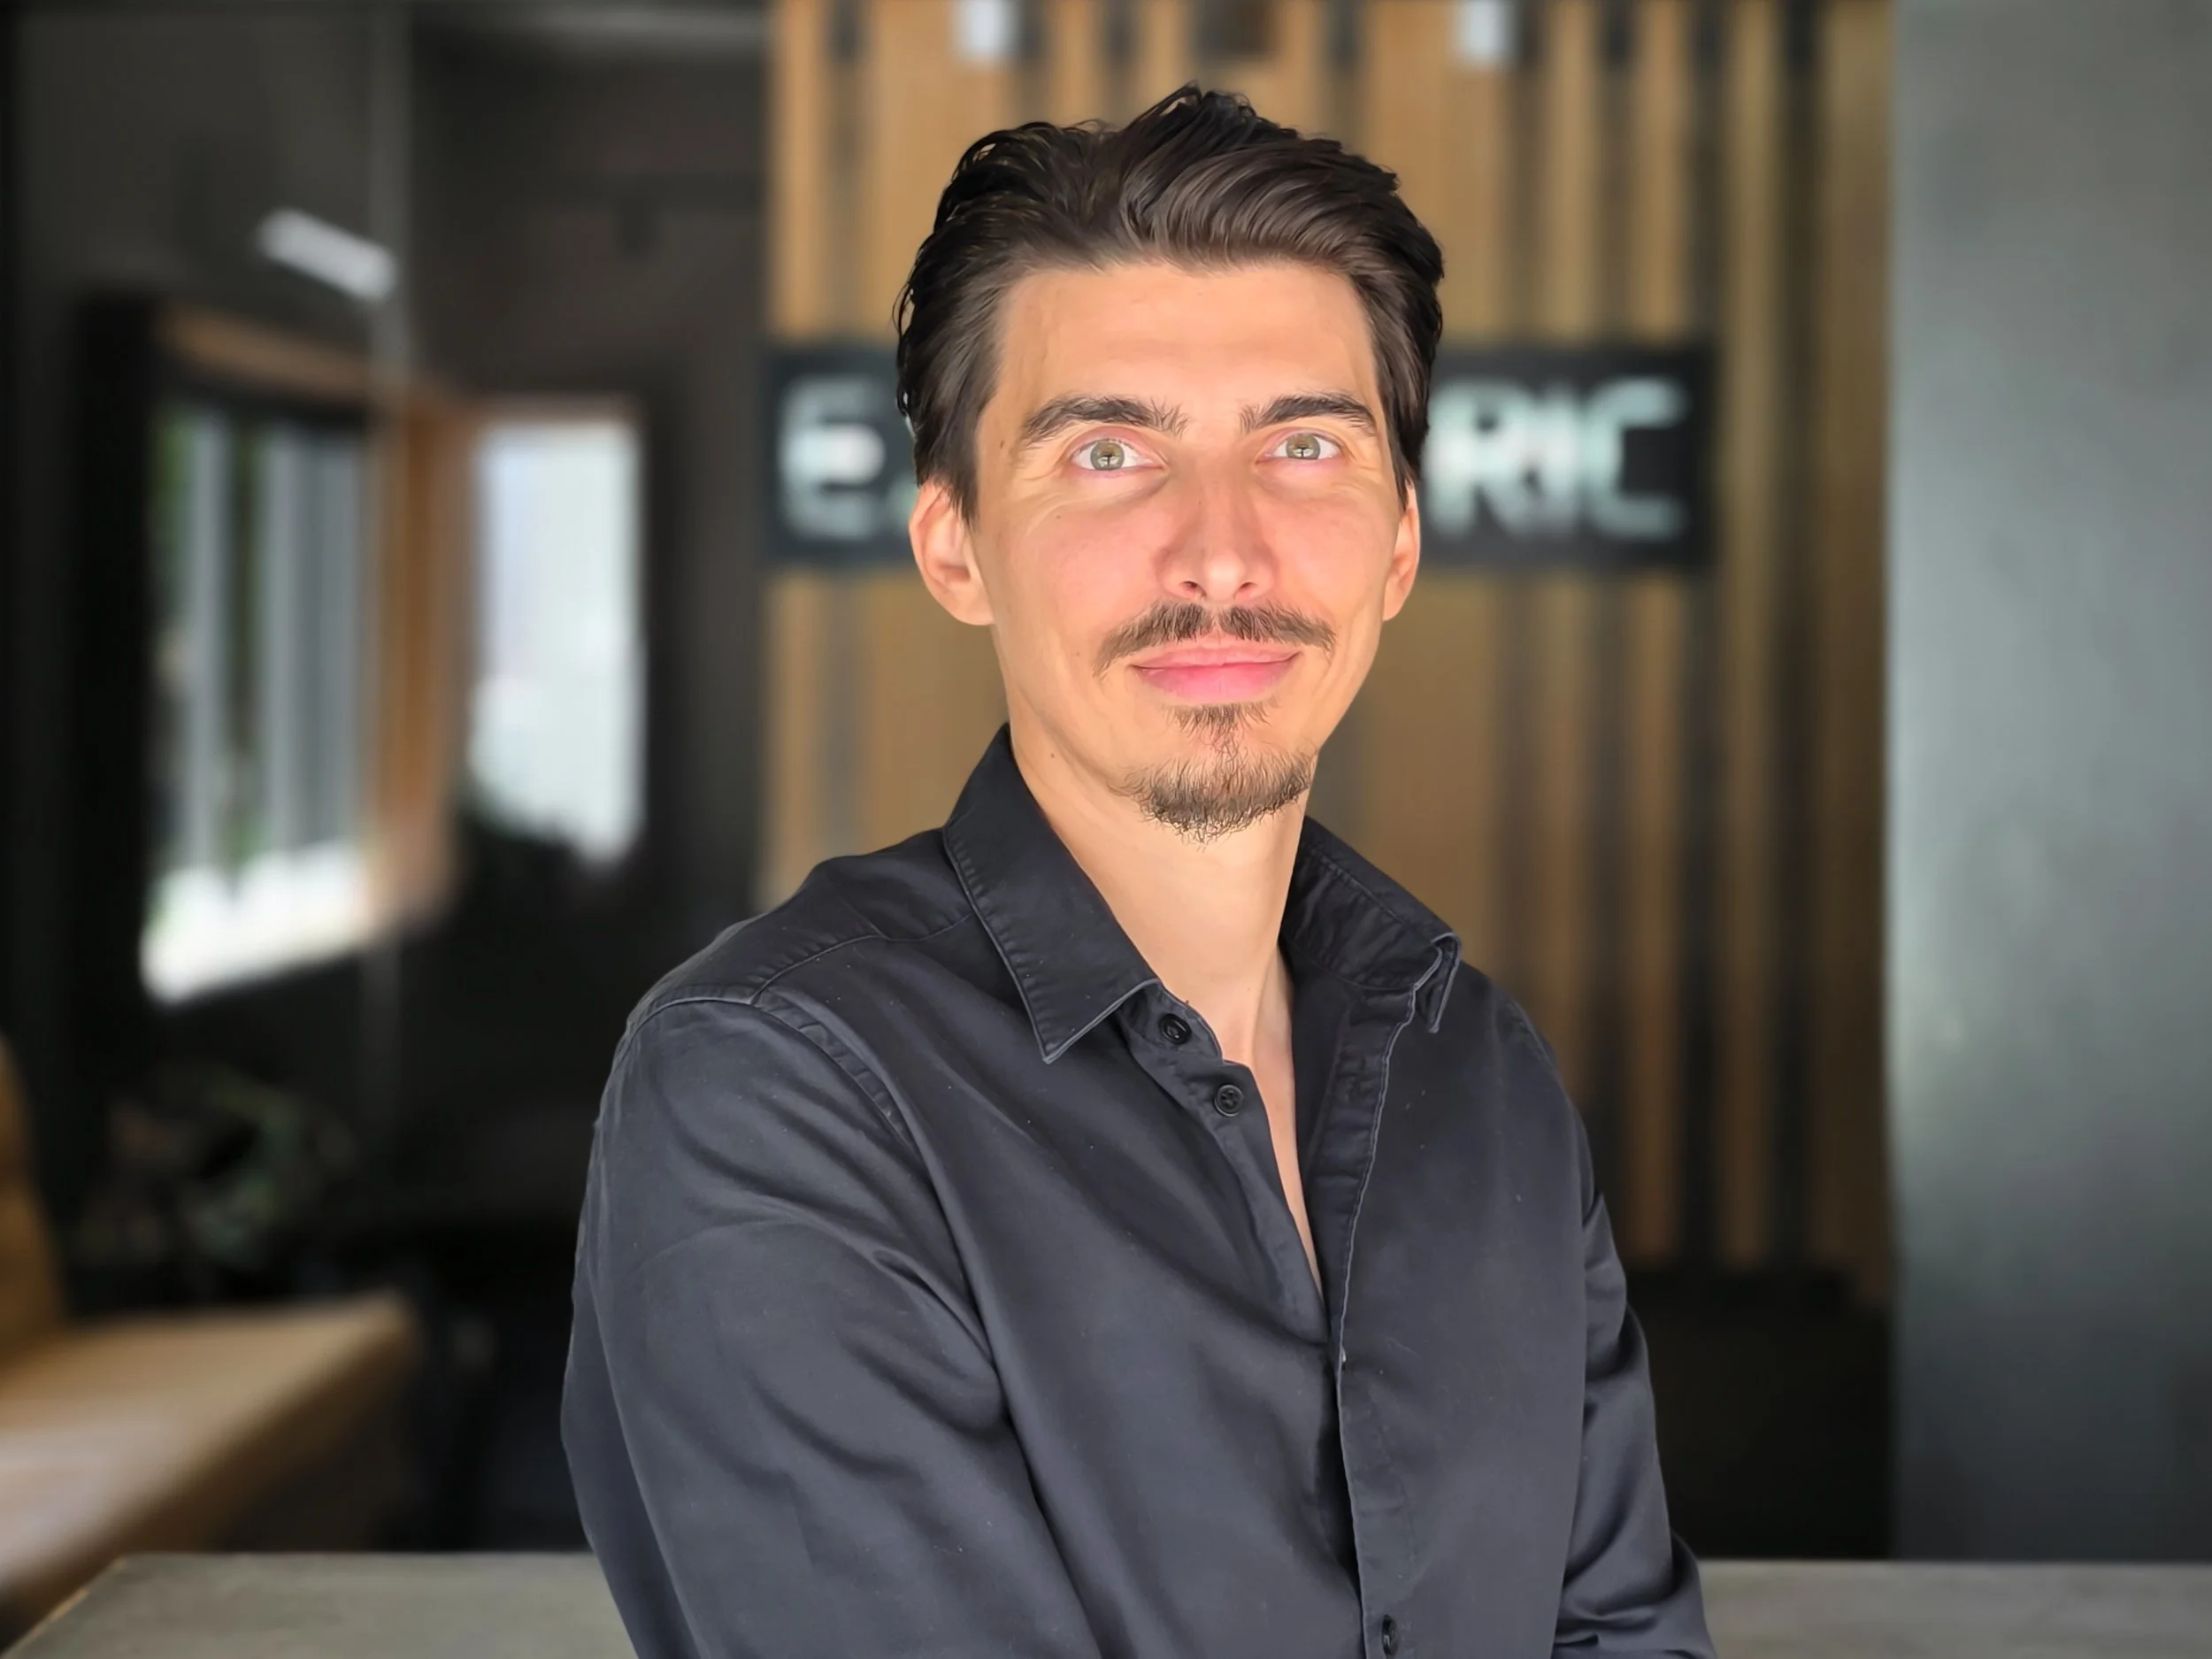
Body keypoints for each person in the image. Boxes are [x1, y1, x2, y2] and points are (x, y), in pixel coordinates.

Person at [564, 85, 1713, 1659]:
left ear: (1397, 543)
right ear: (954, 541)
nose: (1221, 552)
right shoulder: (771, 1086)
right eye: (1110, 452)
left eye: (1303, 444)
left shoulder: (1481, 1069)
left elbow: (1626, 1637)